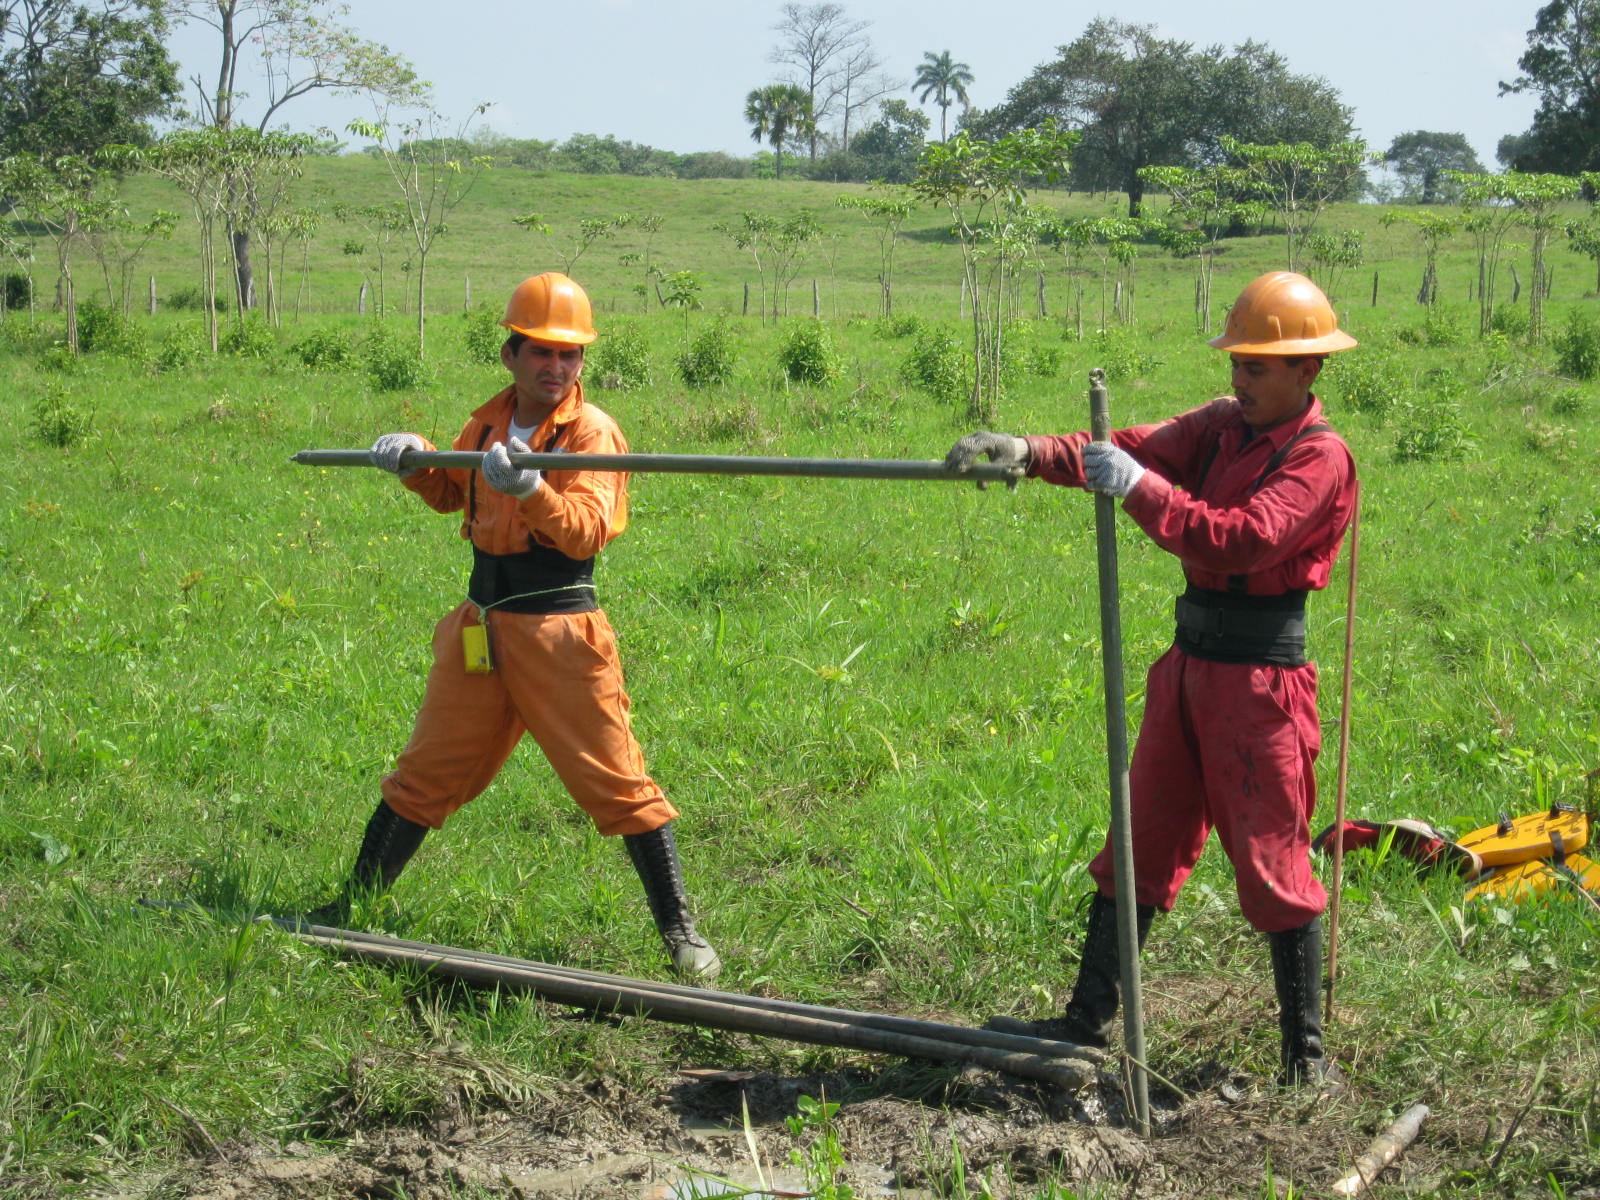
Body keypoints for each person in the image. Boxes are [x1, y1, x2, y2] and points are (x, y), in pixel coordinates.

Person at [944, 271, 1358, 1089]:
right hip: (1189, 670)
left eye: (1259, 367)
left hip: (1261, 686)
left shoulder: (1319, 457)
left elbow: (1241, 539)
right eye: (1237, 362)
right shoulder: (1219, 426)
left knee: (1275, 864)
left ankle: (1305, 1060)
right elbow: (1127, 448)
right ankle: (1082, 1023)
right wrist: (1028, 451)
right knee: (1140, 842)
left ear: (1308, 370)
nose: (1239, 379)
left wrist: (1140, 492)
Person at [309, 271, 720, 980]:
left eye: (570, 355)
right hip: (479, 630)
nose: (556, 368)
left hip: (560, 636)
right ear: (511, 355)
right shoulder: (490, 421)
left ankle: (682, 932)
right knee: (423, 774)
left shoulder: (593, 433)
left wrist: (532, 488)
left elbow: (587, 529)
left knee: (617, 782)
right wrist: (410, 459)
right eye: (541, 353)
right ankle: (350, 912)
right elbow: (451, 491)